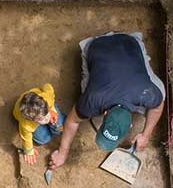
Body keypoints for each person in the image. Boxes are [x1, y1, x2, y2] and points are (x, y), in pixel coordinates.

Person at [46, 32, 166, 170]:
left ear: (106, 113)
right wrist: (63, 152)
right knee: (159, 94)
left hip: (129, 43)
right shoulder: (92, 100)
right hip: (98, 45)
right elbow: (72, 121)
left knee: (160, 94)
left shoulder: (146, 93)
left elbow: (158, 106)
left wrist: (146, 135)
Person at [11, 85, 62, 164]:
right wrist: (29, 150)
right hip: (31, 117)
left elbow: (48, 86)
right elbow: (26, 137)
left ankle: (46, 114)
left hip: (38, 106)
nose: (47, 119)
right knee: (45, 139)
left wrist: (52, 109)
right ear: (31, 119)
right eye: (42, 119)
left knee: (59, 123)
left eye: (46, 112)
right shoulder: (26, 125)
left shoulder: (47, 97)